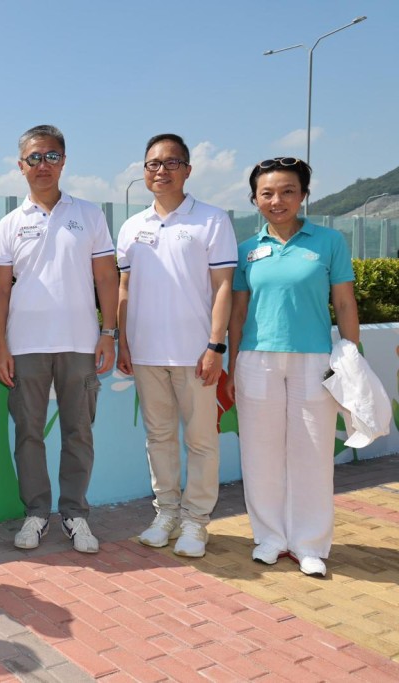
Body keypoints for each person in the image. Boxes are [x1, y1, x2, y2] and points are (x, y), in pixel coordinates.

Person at [226, 157, 359, 578]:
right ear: (254, 199)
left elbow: (344, 303)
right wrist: (232, 363)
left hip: (315, 360)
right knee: (260, 452)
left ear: (303, 195)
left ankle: (309, 543)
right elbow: (238, 311)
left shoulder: (329, 242)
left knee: (313, 453)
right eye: (267, 193)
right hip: (256, 360)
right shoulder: (247, 250)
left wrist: (351, 354)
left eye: (287, 191)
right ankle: (270, 538)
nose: (277, 200)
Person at [0, 125, 119, 554]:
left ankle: (75, 514)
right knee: (28, 432)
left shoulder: (90, 214)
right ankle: (36, 513)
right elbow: (0, 290)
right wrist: (2, 347)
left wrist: (108, 332)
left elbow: (106, 276)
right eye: (33, 158)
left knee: (78, 431)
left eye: (51, 157)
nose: (42, 166)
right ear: (20, 165)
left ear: (63, 161)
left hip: (81, 342)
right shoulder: (9, 224)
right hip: (25, 346)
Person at [116, 134, 237, 558]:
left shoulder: (212, 219)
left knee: (202, 441)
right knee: (159, 439)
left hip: (196, 354)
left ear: (187, 169)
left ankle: (196, 522)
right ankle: (165, 513)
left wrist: (215, 345)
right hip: (146, 354)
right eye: (152, 164)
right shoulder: (132, 226)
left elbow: (224, 287)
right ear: (144, 171)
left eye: (171, 163)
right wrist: (123, 342)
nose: (161, 170)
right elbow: (124, 287)